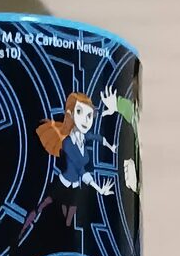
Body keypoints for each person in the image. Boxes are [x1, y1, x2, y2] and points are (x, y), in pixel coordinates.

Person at [16, 90, 117, 242]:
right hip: (62, 184)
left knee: (68, 223)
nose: (86, 120)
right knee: (42, 208)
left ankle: (59, 241)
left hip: (74, 188)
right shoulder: (67, 143)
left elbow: (98, 138)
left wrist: (111, 147)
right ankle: (20, 234)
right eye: (80, 112)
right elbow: (81, 170)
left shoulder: (84, 137)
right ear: (70, 114)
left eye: (89, 115)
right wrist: (99, 189)